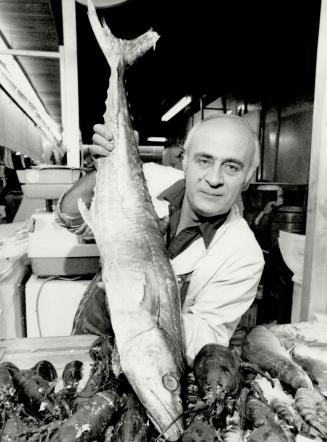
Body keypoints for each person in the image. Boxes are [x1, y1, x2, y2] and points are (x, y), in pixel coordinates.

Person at [56, 114, 264, 367]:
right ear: (184, 160)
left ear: (248, 177)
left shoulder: (244, 255)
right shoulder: (145, 179)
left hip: (153, 362)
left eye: (232, 166)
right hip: (87, 340)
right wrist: (104, 167)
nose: (214, 178)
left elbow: (204, 337)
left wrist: (136, 305)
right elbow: (71, 218)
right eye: (204, 160)